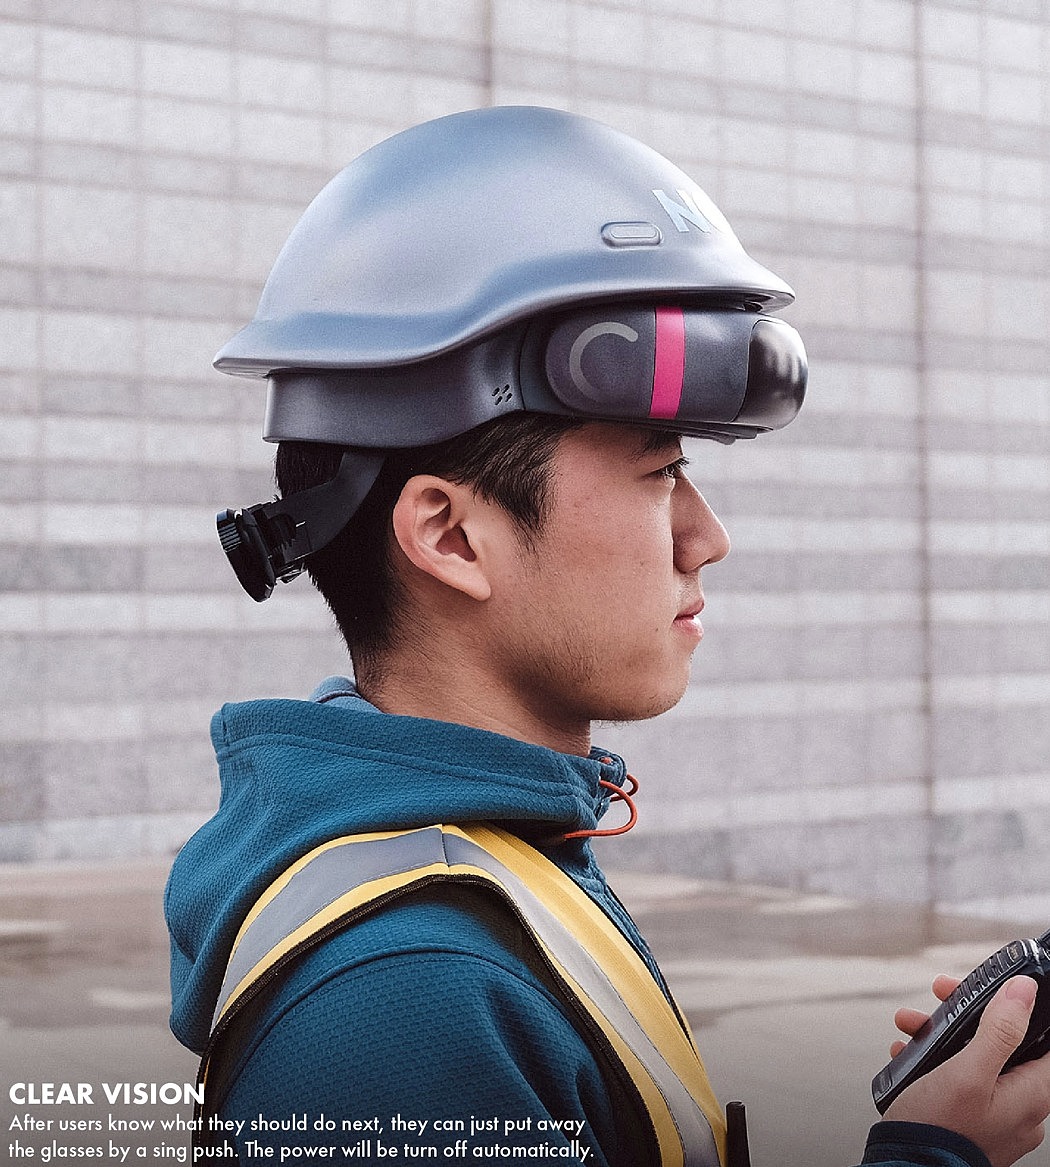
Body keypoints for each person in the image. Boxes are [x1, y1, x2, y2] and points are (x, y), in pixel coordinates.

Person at [165, 107, 1050, 1167]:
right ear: (450, 535)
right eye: (657, 472)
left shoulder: (492, 868)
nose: (707, 537)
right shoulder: (409, 999)